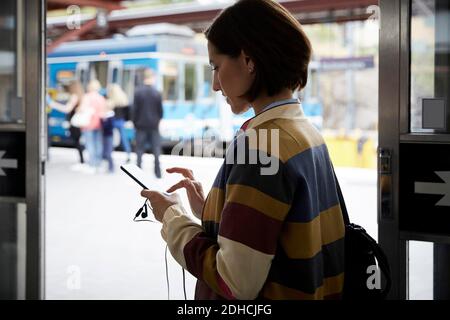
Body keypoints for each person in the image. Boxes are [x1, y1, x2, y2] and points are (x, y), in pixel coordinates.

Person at [140, 0, 345, 300]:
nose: (214, 84)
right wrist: (211, 209)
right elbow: (284, 231)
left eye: (216, 66)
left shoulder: (260, 147)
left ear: (248, 60)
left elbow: (234, 281)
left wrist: (172, 217)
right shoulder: (305, 132)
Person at [131, 68, 163, 178]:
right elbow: (160, 111)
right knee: (156, 149)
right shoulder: (157, 92)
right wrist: (157, 121)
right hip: (154, 126)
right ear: (152, 78)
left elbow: (134, 110)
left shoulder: (138, 92)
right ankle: (158, 173)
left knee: (139, 149)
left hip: (140, 126)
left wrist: (135, 123)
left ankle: (138, 173)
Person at [47, 80, 85, 167]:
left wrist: (52, 103)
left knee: (77, 141)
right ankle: (82, 160)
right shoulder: (81, 95)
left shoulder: (74, 96)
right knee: (78, 141)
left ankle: (82, 161)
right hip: (78, 122)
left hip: (74, 122)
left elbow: (67, 109)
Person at [79, 79, 107, 173]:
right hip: (99, 124)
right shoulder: (101, 98)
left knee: (90, 144)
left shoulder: (87, 97)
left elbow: (82, 109)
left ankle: (92, 163)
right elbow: (104, 112)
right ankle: (98, 163)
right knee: (98, 144)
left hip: (88, 124)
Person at [107, 83, 132, 163]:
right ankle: (128, 154)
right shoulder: (124, 99)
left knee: (110, 138)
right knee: (124, 139)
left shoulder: (111, 100)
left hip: (113, 121)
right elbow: (127, 112)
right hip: (121, 121)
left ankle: (109, 154)